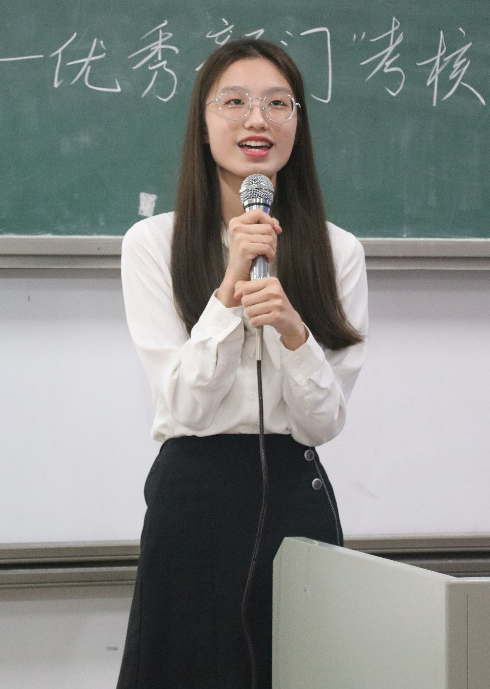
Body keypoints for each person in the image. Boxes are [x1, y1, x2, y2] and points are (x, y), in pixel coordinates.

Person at [116, 38, 369, 689]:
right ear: (202, 126)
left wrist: (293, 333)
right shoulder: (152, 243)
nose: (257, 119)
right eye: (234, 102)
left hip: (295, 499)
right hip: (195, 497)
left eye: (278, 104)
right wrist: (228, 291)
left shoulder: (338, 252)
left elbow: (322, 423)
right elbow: (184, 406)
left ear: (297, 125)